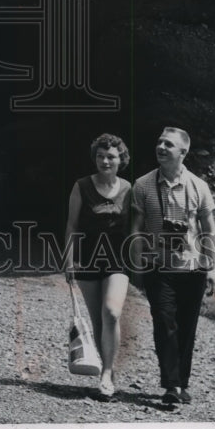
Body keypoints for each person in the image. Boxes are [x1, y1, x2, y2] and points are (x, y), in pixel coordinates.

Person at [132, 126, 215, 408]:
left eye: (168, 144)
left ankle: (181, 383)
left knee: (186, 328)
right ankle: (171, 385)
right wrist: (137, 263)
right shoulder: (143, 185)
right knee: (164, 322)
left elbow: (209, 229)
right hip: (158, 268)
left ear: (183, 152)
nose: (160, 147)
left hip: (193, 269)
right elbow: (135, 228)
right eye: (159, 142)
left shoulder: (199, 186)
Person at [64, 133, 132, 400]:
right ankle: (106, 369)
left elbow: (138, 226)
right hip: (88, 259)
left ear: (121, 160)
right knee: (97, 321)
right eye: (101, 156)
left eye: (111, 156)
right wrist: (68, 260)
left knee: (112, 312)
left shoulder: (129, 189)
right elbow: (71, 225)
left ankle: (107, 371)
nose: (105, 161)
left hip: (119, 260)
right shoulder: (81, 186)